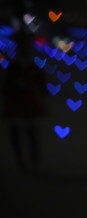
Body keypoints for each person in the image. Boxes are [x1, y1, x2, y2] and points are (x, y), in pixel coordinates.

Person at [2, 31, 47, 173]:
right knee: (18, 134)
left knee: (31, 134)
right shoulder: (14, 67)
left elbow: (42, 86)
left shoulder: (32, 67)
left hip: (28, 104)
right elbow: (6, 86)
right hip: (16, 104)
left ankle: (33, 162)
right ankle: (22, 162)